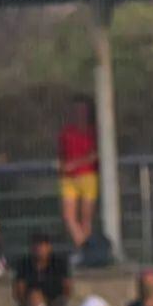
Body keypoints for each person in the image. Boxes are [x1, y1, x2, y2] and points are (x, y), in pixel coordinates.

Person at [58, 94, 99, 255]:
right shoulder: (66, 132)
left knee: (85, 218)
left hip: (88, 176)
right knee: (69, 217)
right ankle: (84, 248)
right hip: (68, 179)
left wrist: (75, 164)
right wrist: (63, 166)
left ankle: (85, 251)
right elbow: (62, 154)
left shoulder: (93, 131)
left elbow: (95, 154)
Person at [13, 232, 71, 306]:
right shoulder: (24, 264)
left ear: (49, 247)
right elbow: (19, 290)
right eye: (36, 246)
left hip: (54, 304)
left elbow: (67, 287)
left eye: (42, 246)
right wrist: (29, 303)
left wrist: (55, 304)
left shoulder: (59, 264)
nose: (39, 249)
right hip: (29, 305)